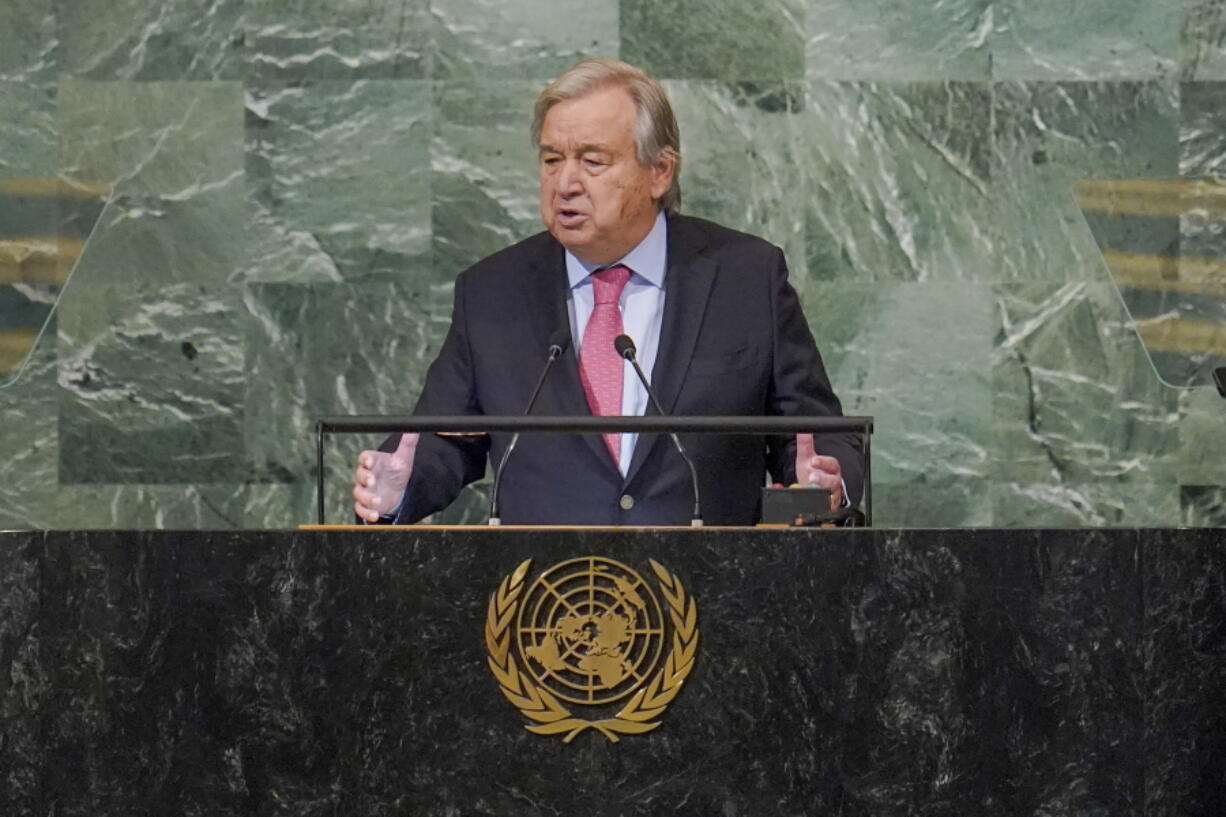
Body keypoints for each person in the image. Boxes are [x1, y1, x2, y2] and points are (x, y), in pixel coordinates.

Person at [352, 58, 862, 526]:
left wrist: (827, 482)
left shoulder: (745, 277)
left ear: (659, 171)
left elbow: (816, 433)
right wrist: (400, 489)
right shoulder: (492, 291)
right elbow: (444, 441)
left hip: (711, 597)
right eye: (552, 160)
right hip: (546, 604)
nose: (565, 183)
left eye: (593, 161)